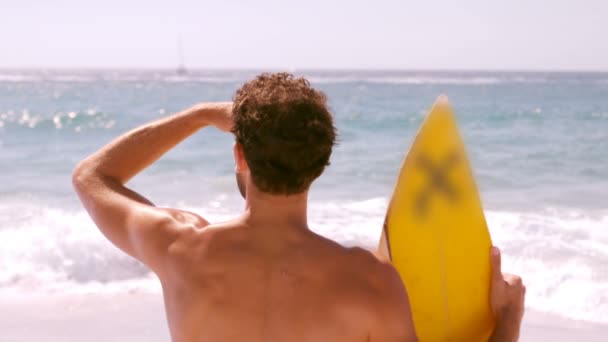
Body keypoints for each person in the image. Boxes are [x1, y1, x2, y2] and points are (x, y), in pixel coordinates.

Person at [73, 73, 525, 341]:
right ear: (320, 165)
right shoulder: (370, 283)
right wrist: (507, 318)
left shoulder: (179, 249)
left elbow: (93, 176)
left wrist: (198, 116)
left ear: (240, 156)